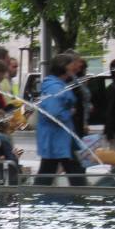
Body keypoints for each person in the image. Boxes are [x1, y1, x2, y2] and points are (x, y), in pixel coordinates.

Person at [35, 54, 86, 187]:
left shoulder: (56, 84)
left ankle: (35, 197)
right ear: (63, 67)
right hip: (57, 138)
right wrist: (69, 113)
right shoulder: (55, 87)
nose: (73, 67)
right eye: (71, 64)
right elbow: (52, 112)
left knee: (49, 171)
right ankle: (82, 198)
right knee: (71, 171)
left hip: (59, 139)